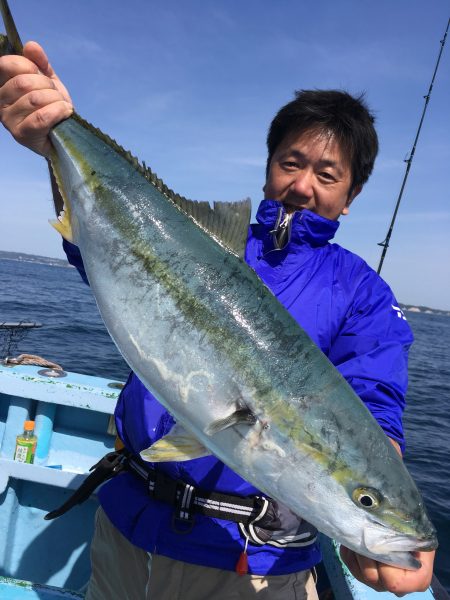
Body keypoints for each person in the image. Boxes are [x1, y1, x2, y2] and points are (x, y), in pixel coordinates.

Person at [0, 41, 436, 599]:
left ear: (350, 195)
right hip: (125, 529)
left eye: (327, 175)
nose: (304, 185)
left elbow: (374, 412)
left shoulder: (363, 295)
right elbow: (101, 252)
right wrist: (52, 139)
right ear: (267, 169)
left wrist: (376, 521)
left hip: (247, 565)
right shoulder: (201, 239)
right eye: (291, 163)